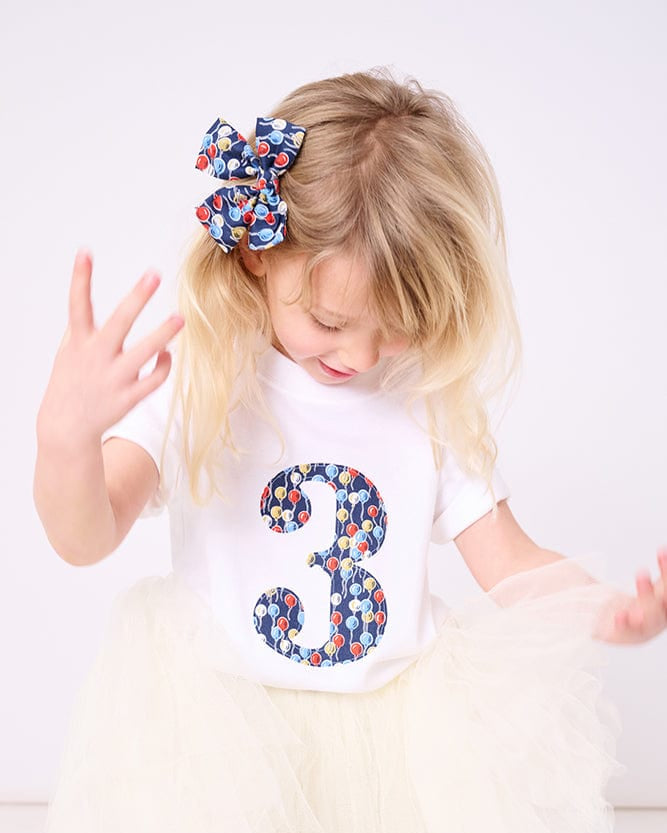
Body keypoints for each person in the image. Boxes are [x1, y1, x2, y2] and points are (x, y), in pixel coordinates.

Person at [34, 67, 666, 833]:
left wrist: (600, 607)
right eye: (332, 321)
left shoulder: (424, 402)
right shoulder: (204, 377)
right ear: (259, 255)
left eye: (396, 324)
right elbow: (83, 534)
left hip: (394, 736)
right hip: (222, 732)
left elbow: (508, 562)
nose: (363, 355)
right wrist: (66, 441)